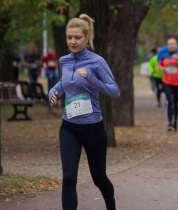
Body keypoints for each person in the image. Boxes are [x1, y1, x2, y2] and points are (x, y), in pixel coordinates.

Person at [48, 14, 120, 210]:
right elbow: (62, 84)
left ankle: (111, 206)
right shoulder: (64, 61)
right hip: (69, 128)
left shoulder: (97, 62)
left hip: (93, 129)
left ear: (86, 38)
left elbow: (115, 91)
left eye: (77, 37)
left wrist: (91, 79)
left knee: (99, 178)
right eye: (69, 37)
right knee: (69, 177)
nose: (72, 41)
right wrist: (52, 92)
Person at [158, 37, 178, 131]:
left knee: (176, 103)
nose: (171, 46)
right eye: (169, 44)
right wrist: (163, 69)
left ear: (176, 45)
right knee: (169, 101)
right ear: (167, 45)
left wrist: (177, 60)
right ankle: (170, 123)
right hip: (166, 82)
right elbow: (160, 65)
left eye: (173, 44)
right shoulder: (164, 55)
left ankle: (175, 121)